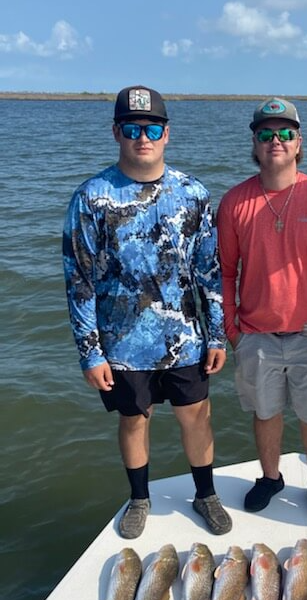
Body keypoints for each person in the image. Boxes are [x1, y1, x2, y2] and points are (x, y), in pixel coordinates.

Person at [62, 85, 232, 539]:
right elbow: (78, 280)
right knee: (134, 419)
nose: (143, 137)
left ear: (166, 134)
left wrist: (217, 335)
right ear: (117, 132)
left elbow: (210, 272)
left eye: (152, 127)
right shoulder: (92, 197)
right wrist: (90, 353)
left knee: (197, 413)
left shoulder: (193, 193)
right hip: (122, 344)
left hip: (187, 339)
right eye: (133, 128)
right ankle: (139, 498)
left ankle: (206, 494)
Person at [217, 97, 307, 522]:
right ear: (254, 144)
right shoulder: (234, 202)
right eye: (266, 134)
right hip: (255, 334)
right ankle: (270, 477)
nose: (276, 140)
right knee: (265, 412)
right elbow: (225, 272)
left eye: (285, 133)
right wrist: (231, 329)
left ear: (299, 143)